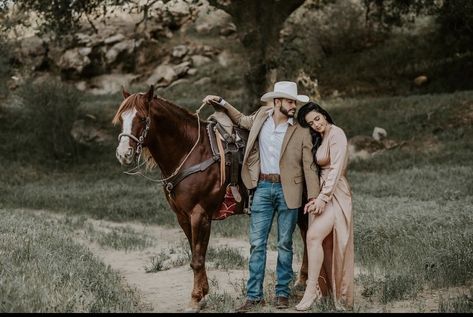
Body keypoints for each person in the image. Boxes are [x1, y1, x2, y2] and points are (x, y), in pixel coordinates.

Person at [203, 81, 320, 312]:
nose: (293, 105)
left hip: (290, 191)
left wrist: (315, 196)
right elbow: (240, 120)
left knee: (285, 244)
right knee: (257, 244)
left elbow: (309, 167)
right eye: (289, 101)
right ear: (277, 102)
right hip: (262, 187)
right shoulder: (261, 117)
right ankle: (254, 295)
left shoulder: (301, 131)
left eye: (295, 102)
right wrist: (222, 102)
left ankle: (282, 293)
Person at [294, 102, 354, 311]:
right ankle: (324, 292)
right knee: (324, 243)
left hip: (335, 192)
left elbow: (336, 169)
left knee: (313, 236)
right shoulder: (321, 137)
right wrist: (315, 196)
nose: (316, 125)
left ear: (324, 114)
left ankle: (311, 292)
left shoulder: (336, 133)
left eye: (317, 119)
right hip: (322, 192)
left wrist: (323, 198)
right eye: (311, 123)